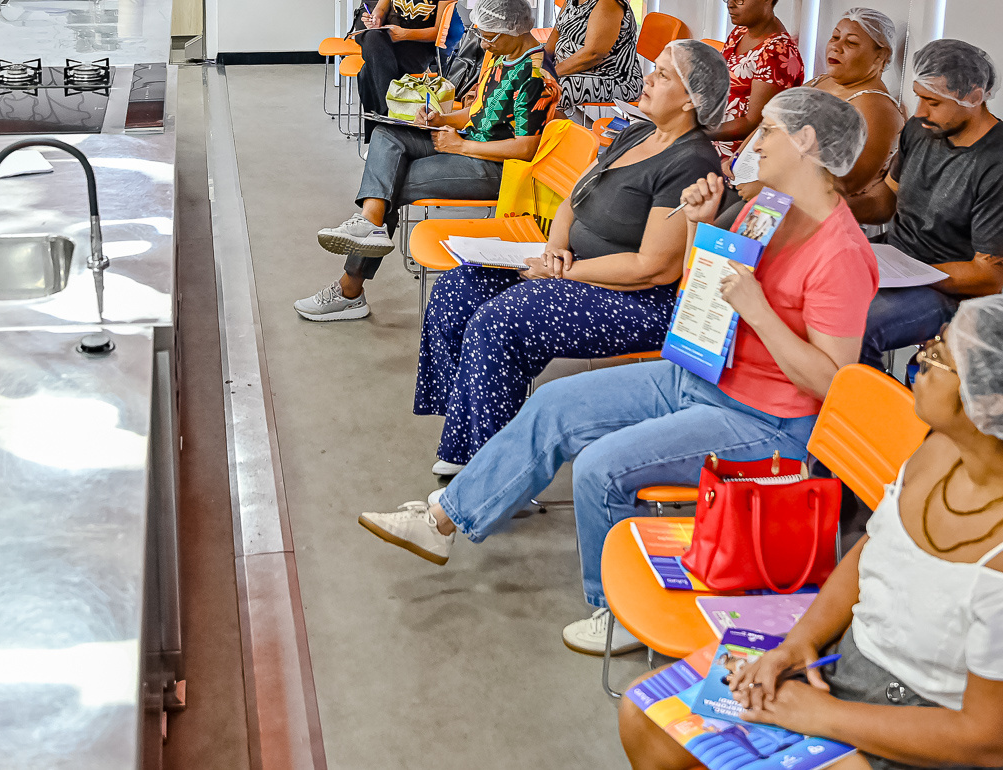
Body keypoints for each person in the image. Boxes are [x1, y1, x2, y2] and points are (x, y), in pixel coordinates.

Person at [358, 87, 878, 654]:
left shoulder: (841, 252)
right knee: (554, 405)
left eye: (769, 131)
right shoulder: (766, 210)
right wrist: (702, 227)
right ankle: (442, 520)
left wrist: (758, 311)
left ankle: (616, 611)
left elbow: (833, 382)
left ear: (806, 142)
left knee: (600, 468)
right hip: (701, 376)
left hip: (766, 420)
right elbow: (706, 295)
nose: (756, 143)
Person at [619, 295, 1003, 770]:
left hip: (939, 734)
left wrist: (817, 715)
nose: (921, 359)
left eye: (938, 357)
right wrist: (800, 642)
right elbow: (879, 547)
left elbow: (989, 740)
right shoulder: (944, 448)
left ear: (990, 403)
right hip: (859, 670)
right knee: (645, 718)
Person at [411, 40, 728, 476]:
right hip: (567, 264)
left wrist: (564, 271)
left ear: (691, 100)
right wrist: (555, 247)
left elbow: (654, 268)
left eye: (663, 75)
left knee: (501, 319)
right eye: (653, 69)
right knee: (456, 288)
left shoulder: (691, 163)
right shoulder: (637, 133)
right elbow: (573, 199)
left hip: (633, 297)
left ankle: (489, 466)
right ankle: (467, 424)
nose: (649, 78)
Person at [297, 0, 559, 322]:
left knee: (390, 185)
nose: (483, 44)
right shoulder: (503, 54)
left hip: (496, 167)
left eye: (489, 37)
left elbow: (527, 147)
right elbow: (478, 112)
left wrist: (462, 146)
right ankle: (369, 224)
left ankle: (350, 289)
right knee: (386, 134)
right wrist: (442, 119)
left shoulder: (535, 76)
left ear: (515, 30)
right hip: (467, 142)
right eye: (480, 34)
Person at [852, 39, 1003, 367]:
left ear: (974, 97)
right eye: (919, 96)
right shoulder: (921, 129)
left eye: (933, 102)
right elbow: (885, 200)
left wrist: (910, 274)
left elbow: (989, 275)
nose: (920, 112)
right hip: (894, 264)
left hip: (949, 291)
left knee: (855, 326)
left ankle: (866, 400)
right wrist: (829, 203)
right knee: (806, 286)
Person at [727, 7, 904, 225]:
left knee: (722, 230)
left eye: (851, 43)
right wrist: (739, 157)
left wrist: (774, 190)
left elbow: (847, 181)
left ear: (881, 55)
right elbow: (773, 121)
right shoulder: (820, 81)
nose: (836, 47)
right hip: (762, 187)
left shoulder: (877, 108)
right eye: (835, 37)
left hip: (806, 212)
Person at [355, 0, 464, 145]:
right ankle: (389, 125)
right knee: (373, 37)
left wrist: (403, 34)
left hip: (419, 47)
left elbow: (438, 31)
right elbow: (381, 8)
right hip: (388, 40)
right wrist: (375, 19)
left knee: (366, 72)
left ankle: (382, 133)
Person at [708, 0, 805, 162]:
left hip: (740, 156)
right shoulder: (740, 32)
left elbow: (753, 123)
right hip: (713, 139)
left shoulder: (778, 53)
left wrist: (697, 132)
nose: (731, 4)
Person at [546, 0, 641, 117]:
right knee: (521, 71)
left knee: (544, 90)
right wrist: (541, 62)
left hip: (610, 77)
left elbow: (593, 54)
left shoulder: (608, 1)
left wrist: (550, 73)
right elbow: (558, 30)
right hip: (573, 69)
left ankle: (560, 133)